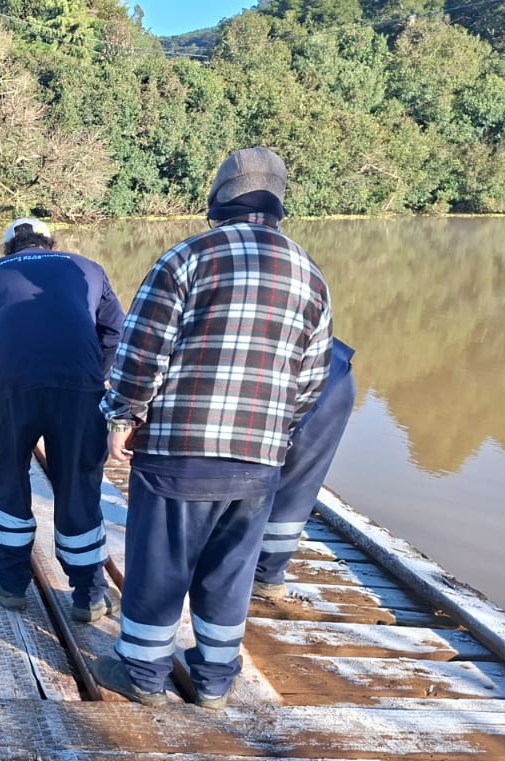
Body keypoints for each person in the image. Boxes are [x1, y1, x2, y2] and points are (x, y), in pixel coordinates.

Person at [95, 147, 333, 710]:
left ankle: (145, 676)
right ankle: (214, 682)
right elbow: (311, 380)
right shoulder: (309, 274)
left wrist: (123, 417)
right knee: (230, 573)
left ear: (219, 198)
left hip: (180, 451)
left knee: (160, 564)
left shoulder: (187, 259)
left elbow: (141, 355)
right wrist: (274, 437)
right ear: (278, 203)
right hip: (259, 463)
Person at [0, 218, 126, 623]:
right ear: (51, 243)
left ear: (9, 248)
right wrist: (92, 379)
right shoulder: (89, 268)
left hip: (9, 387)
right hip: (79, 391)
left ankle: (11, 584)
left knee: (11, 479)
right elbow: (117, 333)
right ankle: (89, 594)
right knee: (79, 484)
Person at [251, 338, 356, 611]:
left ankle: (260, 573)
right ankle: (267, 575)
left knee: (252, 475)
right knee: (298, 486)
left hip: (302, 380)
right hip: (332, 376)